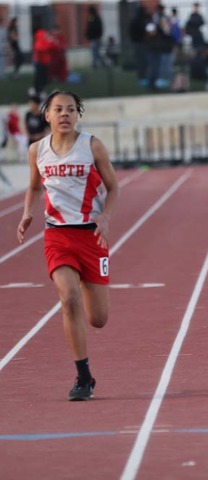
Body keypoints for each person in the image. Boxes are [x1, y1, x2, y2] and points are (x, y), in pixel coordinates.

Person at [16, 91, 120, 401]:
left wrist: (105, 217)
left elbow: (113, 187)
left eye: (71, 110)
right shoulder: (37, 150)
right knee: (69, 298)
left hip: (90, 236)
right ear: (47, 115)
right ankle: (83, 376)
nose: (65, 114)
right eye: (58, 109)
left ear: (77, 115)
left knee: (98, 318)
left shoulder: (92, 146)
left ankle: (86, 285)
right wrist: (27, 213)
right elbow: (34, 186)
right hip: (57, 236)